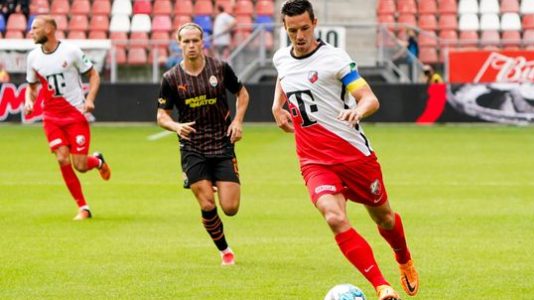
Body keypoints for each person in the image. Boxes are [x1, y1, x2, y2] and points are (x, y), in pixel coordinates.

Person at [271, 1, 418, 300]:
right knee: (334, 217)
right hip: (314, 160)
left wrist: (358, 111)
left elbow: (369, 98)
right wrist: (277, 105)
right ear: (285, 29)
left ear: (315, 22)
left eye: (304, 28)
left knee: (384, 218)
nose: (299, 36)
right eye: (292, 30)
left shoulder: (335, 59)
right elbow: (284, 75)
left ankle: (404, 260)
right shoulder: (281, 58)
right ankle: (382, 286)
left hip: (353, 155)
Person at [156, 23, 249, 266]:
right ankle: (225, 251)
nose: (191, 45)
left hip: (222, 143)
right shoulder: (171, 77)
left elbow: (242, 93)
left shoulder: (219, 68)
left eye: (195, 40)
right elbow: (161, 115)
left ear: (202, 42)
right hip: (192, 147)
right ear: (179, 45)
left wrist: (238, 121)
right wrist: (176, 126)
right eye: (186, 42)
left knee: (230, 208)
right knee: (207, 203)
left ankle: (214, 180)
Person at [24, 15, 111, 220]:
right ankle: (83, 207)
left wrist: (90, 99)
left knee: (80, 165)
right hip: (51, 118)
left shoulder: (71, 51)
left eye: (35, 28)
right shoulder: (33, 57)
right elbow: (32, 86)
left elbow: (94, 75)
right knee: (62, 158)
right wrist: (29, 101)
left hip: (75, 115)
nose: (31, 31)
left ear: (49, 29)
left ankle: (97, 162)